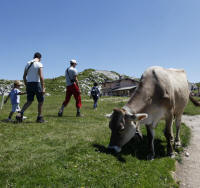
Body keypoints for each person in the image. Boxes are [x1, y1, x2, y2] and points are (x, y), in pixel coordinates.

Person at [16, 52, 45, 123]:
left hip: (29, 84)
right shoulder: (39, 64)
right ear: (40, 58)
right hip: (37, 84)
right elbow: (41, 77)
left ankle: (20, 113)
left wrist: (27, 85)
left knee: (29, 101)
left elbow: (24, 76)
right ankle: (39, 118)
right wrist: (43, 87)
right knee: (40, 101)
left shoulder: (28, 63)